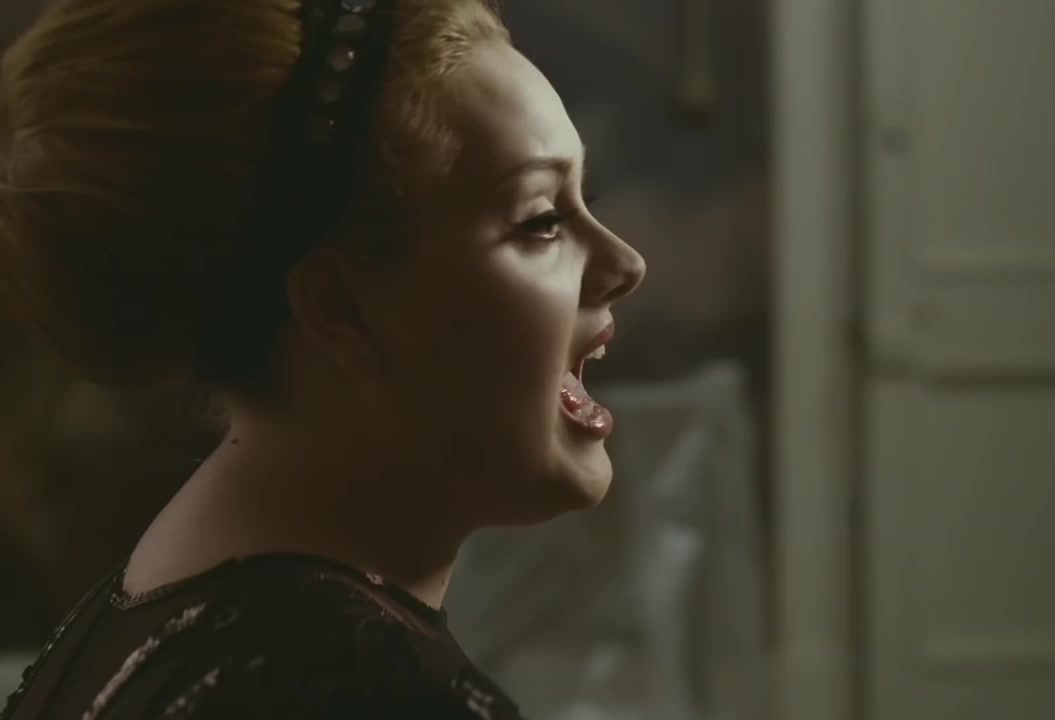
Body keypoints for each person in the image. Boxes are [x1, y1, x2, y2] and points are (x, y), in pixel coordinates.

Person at [0, 0, 645, 715]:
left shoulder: (145, 617)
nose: (626, 264)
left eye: (585, 195)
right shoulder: (367, 695)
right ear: (339, 308)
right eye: (542, 221)